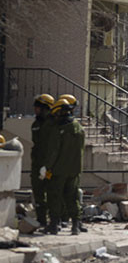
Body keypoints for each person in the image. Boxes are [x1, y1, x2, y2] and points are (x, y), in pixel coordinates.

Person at [45, 95, 85, 235]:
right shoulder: (79, 128)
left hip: (58, 170)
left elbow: (54, 151)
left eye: (56, 114)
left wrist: (48, 167)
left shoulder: (59, 130)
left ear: (61, 112)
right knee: (72, 197)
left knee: (55, 196)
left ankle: (54, 224)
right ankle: (76, 225)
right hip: (75, 169)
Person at [29, 94, 55, 230]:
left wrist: (49, 165)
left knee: (52, 193)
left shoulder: (53, 125)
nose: (35, 109)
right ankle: (41, 220)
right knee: (38, 192)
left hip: (50, 165)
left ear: (46, 108)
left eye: (38, 107)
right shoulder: (35, 124)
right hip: (37, 164)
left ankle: (55, 221)